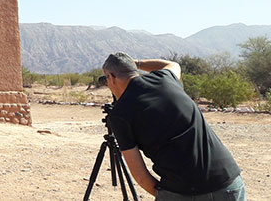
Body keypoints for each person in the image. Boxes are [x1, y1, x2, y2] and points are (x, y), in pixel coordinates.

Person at [101, 52, 246, 200]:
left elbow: (140, 176)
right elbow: (172, 65)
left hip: (181, 189)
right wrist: (137, 63)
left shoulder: (120, 114)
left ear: (112, 77)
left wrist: (164, 195)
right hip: (228, 180)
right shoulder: (165, 79)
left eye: (106, 78)